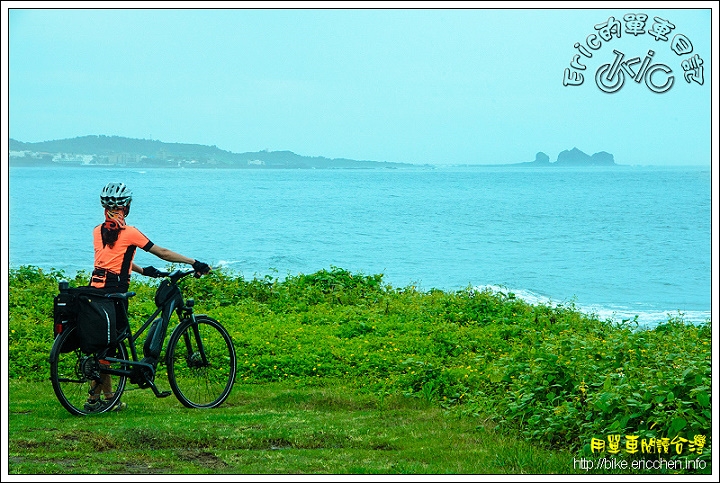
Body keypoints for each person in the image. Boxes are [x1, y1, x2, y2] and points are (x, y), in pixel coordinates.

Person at [85, 182, 210, 412]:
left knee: (108, 346)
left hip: (95, 291)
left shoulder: (97, 231)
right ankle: (100, 398)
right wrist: (194, 262)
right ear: (127, 207)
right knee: (111, 348)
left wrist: (145, 271)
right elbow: (161, 252)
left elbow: (116, 259)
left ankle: (102, 399)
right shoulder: (129, 232)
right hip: (115, 294)